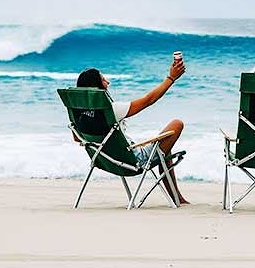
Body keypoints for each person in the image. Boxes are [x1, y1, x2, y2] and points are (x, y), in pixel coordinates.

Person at [75, 56, 189, 205]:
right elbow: (148, 100)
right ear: (97, 87)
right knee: (176, 124)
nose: (108, 83)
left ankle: (177, 198)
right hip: (132, 161)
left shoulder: (77, 112)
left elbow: (77, 138)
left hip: (104, 161)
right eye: (103, 80)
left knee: (163, 146)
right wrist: (171, 78)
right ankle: (177, 198)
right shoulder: (111, 110)